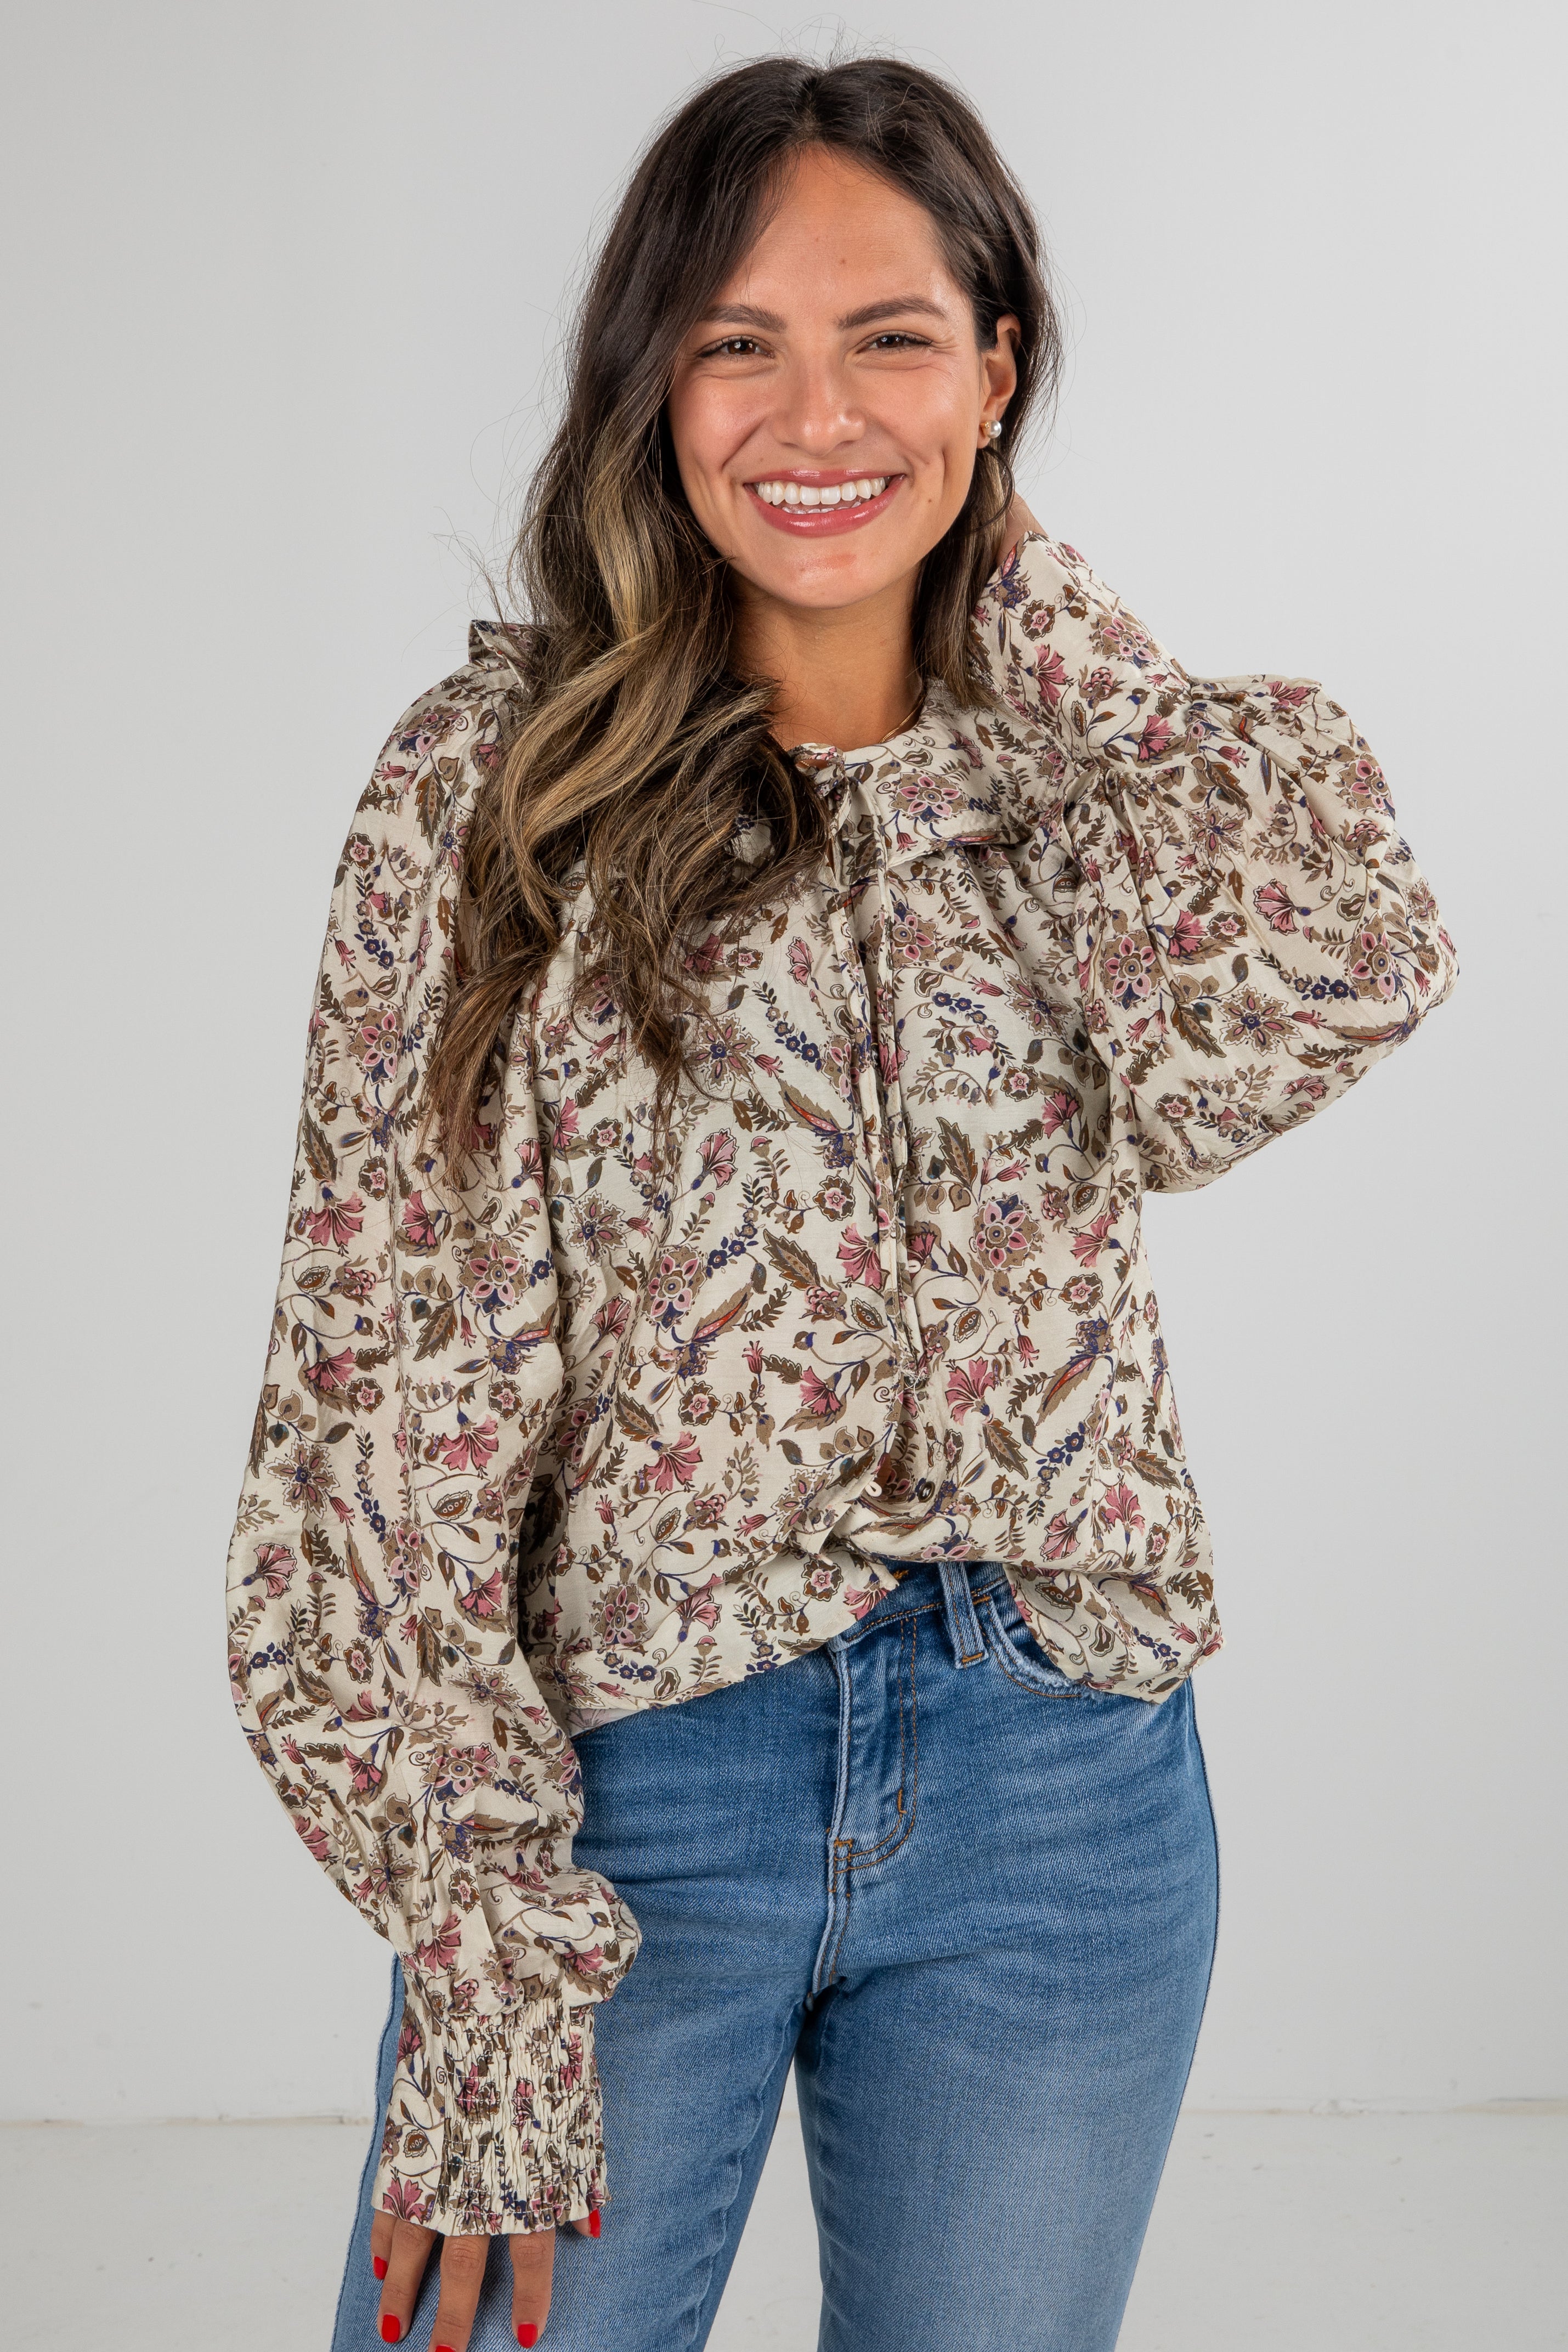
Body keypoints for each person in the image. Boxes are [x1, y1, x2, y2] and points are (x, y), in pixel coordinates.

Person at [224, 54, 1458, 2352]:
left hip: (1058, 1780)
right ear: (651, 383)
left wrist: (1034, 614)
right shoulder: (495, 798)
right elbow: (372, 1435)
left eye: (892, 336)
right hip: (619, 1801)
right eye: (737, 340)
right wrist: (488, 1967)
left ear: (1000, 368)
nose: (816, 408)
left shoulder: (1091, 787)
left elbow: (1319, 992)